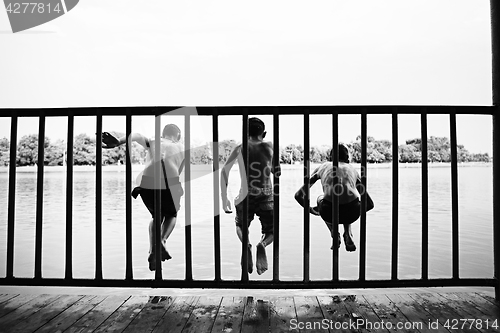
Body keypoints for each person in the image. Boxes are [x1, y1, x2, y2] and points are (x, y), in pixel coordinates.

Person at [101, 124, 185, 271]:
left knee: (156, 217)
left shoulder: (154, 141)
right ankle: (162, 240)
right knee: (172, 214)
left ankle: (153, 250)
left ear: (163, 134)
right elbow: (179, 171)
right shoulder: (182, 148)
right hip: (169, 183)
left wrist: (119, 142)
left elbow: (137, 135)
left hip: (147, 184)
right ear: (178, 136)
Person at [220, 117, 280, 275]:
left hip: (246, 195)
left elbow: (224, 171)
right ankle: (263, 244)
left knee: (240, 225)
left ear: (245, 133)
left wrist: (224, 197)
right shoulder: (270, 146)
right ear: (264, 133)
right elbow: (277, 171)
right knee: (273, 230)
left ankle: (246, 244)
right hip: (266, 194)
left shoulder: (240, 147)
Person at [294, 143, 374, 252]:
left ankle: (334, 233)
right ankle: (348, 232)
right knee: (348, 199)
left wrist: (311, 210)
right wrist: (357, 210)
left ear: (330, 158)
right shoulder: (352, 170)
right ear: (347, 158)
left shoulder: (323, 167)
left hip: (329, 212)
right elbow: (369, 204)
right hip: (352, 213)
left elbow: (298, 195)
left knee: (322, 198)